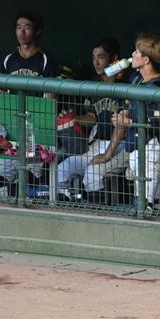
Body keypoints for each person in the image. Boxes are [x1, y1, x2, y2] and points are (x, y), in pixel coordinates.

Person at [89, 33, 160, 209]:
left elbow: (158, 123)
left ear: (146, 60)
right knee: (149, 206)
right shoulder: (136, 79)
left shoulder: (159, 85)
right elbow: (124, 103)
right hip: (135, 148)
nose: (132, 54)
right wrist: (122, 117)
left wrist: (128, 122)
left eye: (137, 52)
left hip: (152, 150)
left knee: (144, 206)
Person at [57, 37, 127, 200]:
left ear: (114, 58)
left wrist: (108, 154)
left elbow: (123, 125)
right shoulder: (94, 85)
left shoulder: (126, 83)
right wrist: (72, 118)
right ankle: (66, 206)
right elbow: (91, 117)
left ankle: (98, 211)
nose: (96, 62)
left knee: (92, 173)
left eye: (101, 57)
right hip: (99, 142)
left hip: (122, 144)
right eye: (94, 58)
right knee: (63, 168)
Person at [0, 11, 58, 186]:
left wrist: (42, 125)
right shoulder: (8, 59)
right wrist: (7, 120)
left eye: (27, 27)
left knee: (32, 172)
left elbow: (50, 96)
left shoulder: (45, 60)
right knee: (6, 170)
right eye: (18, 27)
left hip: (35, 125)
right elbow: (1, 93)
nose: (22, 32)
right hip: (13, 123)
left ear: (37, 31)